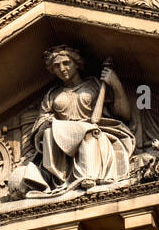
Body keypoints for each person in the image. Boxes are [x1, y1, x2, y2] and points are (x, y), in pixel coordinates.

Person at [25, 46, 135, 193]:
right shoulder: (52, 95)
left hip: (93, 133)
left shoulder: (94, 85)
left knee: (87, 132)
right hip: (62, 139)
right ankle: (59, 177)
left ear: (76, 63)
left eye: (66, 63)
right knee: (48, 132)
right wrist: (48, 121)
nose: (62, 69)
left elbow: (124, 115)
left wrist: (116, 84)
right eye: (56, 66)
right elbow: (40, 122)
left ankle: (88, 175)